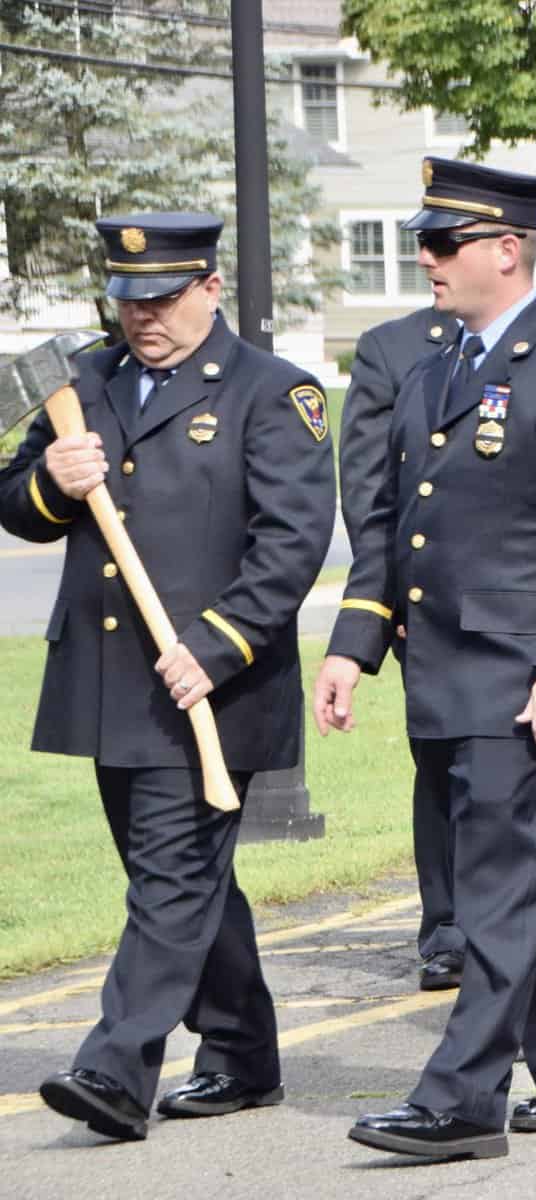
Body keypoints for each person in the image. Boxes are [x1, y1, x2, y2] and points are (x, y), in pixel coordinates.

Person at [313, 157, 536, 1160]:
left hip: (522, 679)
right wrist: (351, 644)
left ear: (508, 251)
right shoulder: (435, 371)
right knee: (518, 878)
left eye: (444, 242)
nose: (426, 258)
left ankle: (460, 1097)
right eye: (425, 241)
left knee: (494, 889)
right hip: (447, 674)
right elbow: (399, 529)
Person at [1, 212, 335, 1141]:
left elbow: (292, 541)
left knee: (171, 875)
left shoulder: (274, 393)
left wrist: (219, 643)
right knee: (187, 883)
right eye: (126, 299)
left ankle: (114, 1069)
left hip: (210, 688)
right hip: (112, 683)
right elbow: (15, 507)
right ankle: (241, 1052)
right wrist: (53, 482)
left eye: (160, 298)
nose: (141, 316)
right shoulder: (87, 383)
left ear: (210, 288)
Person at [338, 304, 464, 992]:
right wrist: (392, 600)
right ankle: (446, 929)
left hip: (528, 607)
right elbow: (368, 492)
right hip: (430, 610)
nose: (439, 253)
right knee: (443, 765)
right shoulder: (392, 350)